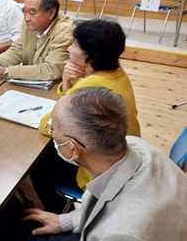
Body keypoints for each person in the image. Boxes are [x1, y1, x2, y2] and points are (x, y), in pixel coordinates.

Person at [0, 87, 187, 241]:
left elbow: (117, 234)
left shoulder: (124, 238)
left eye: (52, 128)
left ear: (73, 148)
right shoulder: (136, 146)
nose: (51, 132)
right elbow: (105, 206)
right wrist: (65, 221)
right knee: (13, 222)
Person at [33, 19, 141, 212]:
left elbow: (48, 124)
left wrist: (72, 83)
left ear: (89, 57)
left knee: (39, 162)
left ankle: (59, 212)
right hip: (127, 161)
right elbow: (70, 105)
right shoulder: (117, 73)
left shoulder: (92, 85)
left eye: (74, 45)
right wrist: (68, 81)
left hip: (101, 176)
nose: (69, 49)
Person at [0, 0, 73, 80]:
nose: (26, 18)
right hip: (32, 83)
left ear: (51, 13)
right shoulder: (30, 25)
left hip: (54, 89)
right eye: (24, 11)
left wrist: (6, 72)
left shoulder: (64, 32)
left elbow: (51, 70)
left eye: (32, 12)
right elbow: (17, 49)